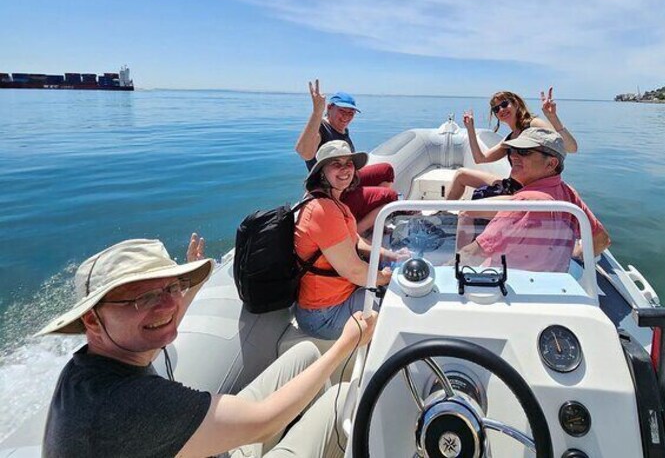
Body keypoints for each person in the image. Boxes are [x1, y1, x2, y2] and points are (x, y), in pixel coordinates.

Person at [39, 234, 376, 458]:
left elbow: (157, 326)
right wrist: (347, 342)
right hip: (231, 437)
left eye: (172, 288)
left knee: (304, 353)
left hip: (204, 446)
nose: (167, 305)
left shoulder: (93, 362)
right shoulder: (126, 404)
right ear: (92, 320)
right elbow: (263, 422)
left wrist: (191, 287)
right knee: (340, 395)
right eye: (144, 297)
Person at [295, 141, 408, 341]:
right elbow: (354, 271)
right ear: (321, 172)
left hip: (341, 296)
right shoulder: (322, 210)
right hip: (324, 315)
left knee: (401, 287)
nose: (344, 169)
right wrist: (386, 277)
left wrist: (388, 254)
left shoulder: (335, 202)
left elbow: (354, 238)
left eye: (348, 163)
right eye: (336, 164)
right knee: (403, 304)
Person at [457, 127, 610, 272]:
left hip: (507, 288)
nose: (513, 156)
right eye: (513, 150)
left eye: (524, 152)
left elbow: (471, 255)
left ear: (551, 163)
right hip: (552, 280)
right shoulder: (568, 193)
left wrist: (448, 267)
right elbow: (601, 240)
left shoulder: (523, 204)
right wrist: (576, 255)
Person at [295, 80, 397, 231]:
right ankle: (356, 231)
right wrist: (317, 111)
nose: (346, 117)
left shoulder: (342, 129)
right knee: (390, 196)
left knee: (386, 170)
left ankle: (369, 216)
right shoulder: (321, 128)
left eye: (351, 113)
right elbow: (304, 151)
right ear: (329, 108)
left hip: (347, 181)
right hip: (333, 192)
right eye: (342, 111)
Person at [446, 87, 579, 200]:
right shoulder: (510, 139)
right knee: (461, 175)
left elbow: (570, 148)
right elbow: (480, 158)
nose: (501, 110)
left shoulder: (532, 124)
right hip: (512, 185)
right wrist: (470, 129)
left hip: (527, 190)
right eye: (496, 109)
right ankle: (443, 214)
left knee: (469, 210)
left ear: (515, 103)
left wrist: (552, 117)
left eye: (504, 104)